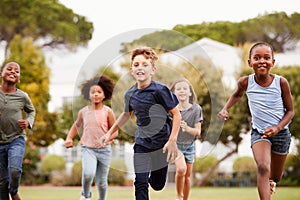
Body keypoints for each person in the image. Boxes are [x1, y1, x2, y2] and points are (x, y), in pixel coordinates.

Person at [97, 47, 181, 200]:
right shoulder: (130, 93)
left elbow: (176, 114)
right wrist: (109, 133)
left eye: (144, 65)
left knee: (157, 184)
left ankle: (153, 178)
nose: (140, 68)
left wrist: (172, 140)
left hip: (161, 144)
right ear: (131, 69)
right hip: (142, 143)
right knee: (140, 182)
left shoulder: (160, 90)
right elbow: (125, 115)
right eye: (136, 65)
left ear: (153, 69)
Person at [218, 42, 294, 200]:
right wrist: (226, 108)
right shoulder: (245, 82)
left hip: (281, 133)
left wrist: (278, 128)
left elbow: (290, 111)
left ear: (273, 62)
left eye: (266, 58)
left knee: (275, 176)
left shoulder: (281, 83)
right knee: (263, 168)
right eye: (257, 57)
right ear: (249, 62)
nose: (262, 61)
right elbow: (237, 95)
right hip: (259, 132)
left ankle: (272, 182)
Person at [64, 75, 117, 200]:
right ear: (88, 95)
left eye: (99, 92)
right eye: (93, 92)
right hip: (88, 148)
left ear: (104, 95)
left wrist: (107, 138)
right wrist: (69, 138)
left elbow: (115, 132)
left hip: (105, 150)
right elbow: (76, 126)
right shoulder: (83, 111)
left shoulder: (108, 111)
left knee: (102, 182)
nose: (96, 94)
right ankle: (86, 195)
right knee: (88, 174)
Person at [0, 62, 36, 200]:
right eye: (9, 69)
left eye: (17, 71)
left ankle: (14, 191)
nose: (13, 72)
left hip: (16, 139)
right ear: (1, 74)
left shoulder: (22, 96)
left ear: (19, 78)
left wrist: (28, 122)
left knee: (15, 171)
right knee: (2, 183)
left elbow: (31, 111)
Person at [170, 78, 202, 200]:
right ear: (173, 93)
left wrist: (187, 128)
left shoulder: (196, 109)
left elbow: (198, 132)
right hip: (176, 145)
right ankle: (178, 196)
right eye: (178, 89)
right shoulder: (172, 110)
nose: (181, 91)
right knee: (181, 169)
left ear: (190, 93)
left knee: (187, 176)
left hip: (190, 146)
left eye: (184, 88)